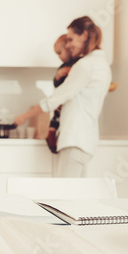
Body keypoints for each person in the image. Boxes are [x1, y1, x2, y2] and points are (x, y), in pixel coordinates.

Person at [14, 16, 112, 177]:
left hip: (74, 140)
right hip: (86, 141)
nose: (68, 44)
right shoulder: (102, 66)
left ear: (84, 35)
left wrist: (23, 116)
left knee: (63, 197)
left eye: (71, 39)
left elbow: (55, 99)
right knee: (75, 197)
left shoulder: (85, 66)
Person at [47, 34, 81, 153]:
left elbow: (78, 77)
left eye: (60, 53)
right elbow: (56, 83)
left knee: (60, 115)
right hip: (61, 98)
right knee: (56, 115)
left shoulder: (78, 63)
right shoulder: (62, 66)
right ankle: (51, 133)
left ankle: (53, 133)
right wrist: (58, 76)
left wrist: (68, 71)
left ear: (68, 49)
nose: (59, 57)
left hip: (68, 99)